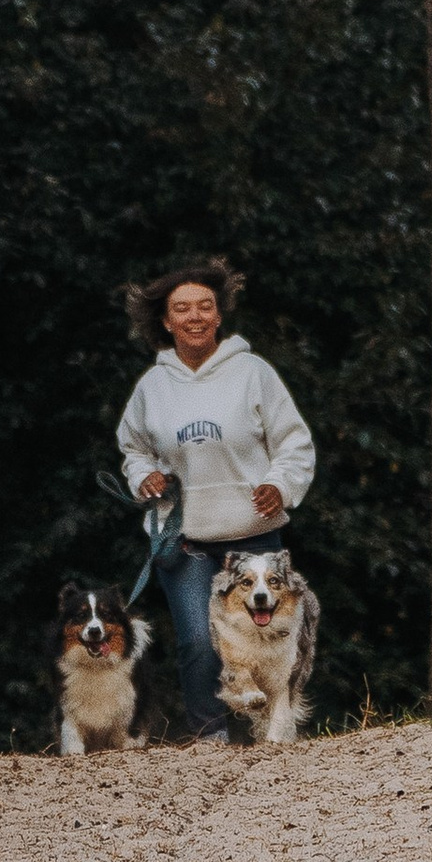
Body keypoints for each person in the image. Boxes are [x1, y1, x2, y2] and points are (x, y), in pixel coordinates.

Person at [114, 259, 317, 746]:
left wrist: (280, 486)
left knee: (265, 638)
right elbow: (132, 448)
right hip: (184, 536)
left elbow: (294, 443)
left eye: (205, 306)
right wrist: (145, 477)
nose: (195, 316)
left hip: (253, 535)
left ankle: (270, 729)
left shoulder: (253, 373)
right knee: (199, 641)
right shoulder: (152, 387)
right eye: (182, 309)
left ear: (219, 315)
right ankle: (210, 738)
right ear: (166, 321)